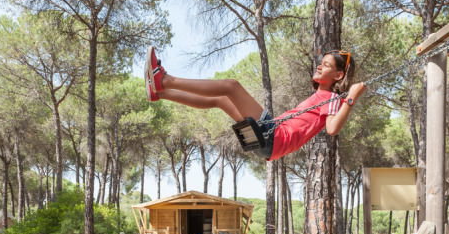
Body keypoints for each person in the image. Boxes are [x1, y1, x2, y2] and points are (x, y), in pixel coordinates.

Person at [145, 47, 366, 161]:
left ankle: (164, 80)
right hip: (271, 143)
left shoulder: (333, 99)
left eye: (326, 65)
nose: (319, 66)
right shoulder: (322, 95)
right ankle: (160, 93)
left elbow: (332, 128)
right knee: (220, 100)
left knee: (231, 86)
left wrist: (352, 95)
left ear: (338, 76)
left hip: (274, 135)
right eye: (321, 63)